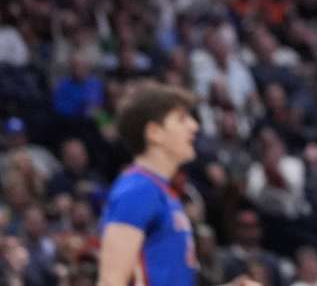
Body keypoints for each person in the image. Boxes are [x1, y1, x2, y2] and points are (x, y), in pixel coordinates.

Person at [97, 83, 259, 286]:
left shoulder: (163, 191)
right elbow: (110, 282)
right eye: (182, 119)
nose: (194, 126)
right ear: (154, 133)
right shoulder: (137, 190)